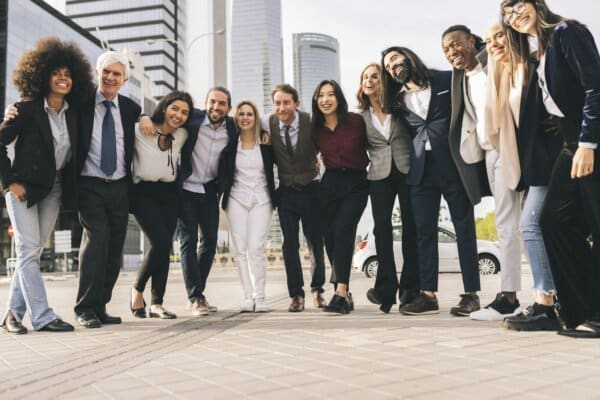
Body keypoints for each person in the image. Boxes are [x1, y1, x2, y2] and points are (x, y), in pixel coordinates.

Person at [501, 0, 600, 337]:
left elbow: (595, 86)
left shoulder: (568, 31)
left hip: (588, 141)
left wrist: (589, 143)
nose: (515, 16)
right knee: (552, 220)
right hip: (570, 141)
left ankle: (597, 316)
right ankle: (579, 308)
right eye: (508, 15)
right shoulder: (542, 50)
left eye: (518, 6)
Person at [0, 37, 94, 333]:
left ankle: (12, 316)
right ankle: (42, 316)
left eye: (68, 74)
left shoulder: (75, 114)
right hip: (23, 188)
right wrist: (9, 182)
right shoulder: (25, 109)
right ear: (43, 75)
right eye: (56, 73)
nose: (63, 78)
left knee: (33, 252)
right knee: (28, 249)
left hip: (54, 189)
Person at [381, 46, 482, 316]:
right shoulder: (398, 100)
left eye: (394, 60)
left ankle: (471, 294)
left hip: (453, 166)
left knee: (464, 229)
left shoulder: (447, 79)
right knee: (424, 233)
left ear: (408, 56)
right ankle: (428, 295)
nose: (392, 67)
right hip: (420, 173)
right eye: (388, 67)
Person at [483, 23, 562, 330]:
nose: (493, 44)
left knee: (529, 224)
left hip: (555, 159)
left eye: (499, 36)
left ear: (515, 35)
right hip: (533, 165)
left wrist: (562, 125)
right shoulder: (503, 75)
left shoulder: (536, 64)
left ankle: (546, 302)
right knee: (543, 228)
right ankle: (553, 300)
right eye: (489, 41)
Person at [441, 24, 522, 320]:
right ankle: (512, 295)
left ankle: (511, 296)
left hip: (512, 148)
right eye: (446, 49)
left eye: (455, 44)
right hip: (489, 153)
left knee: (521, 222)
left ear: (471, 41)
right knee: (510, 223)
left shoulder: (496, 61)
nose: (451, 52)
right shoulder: (459, 78)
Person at [74, 51, 141, 328]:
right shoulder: (80, 102)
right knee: (97, 241)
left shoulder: (130, 108)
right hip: (89, 184)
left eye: (117, 74)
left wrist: (147, 117)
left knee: (114, 249)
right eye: (107, 72)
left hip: (120, 187)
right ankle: (84, 308)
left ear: (124, 80)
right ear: (97, 72)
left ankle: (100, 305)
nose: (111, 78)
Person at [356, 63, 420, 313]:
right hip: (379, 176)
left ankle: (410, 289)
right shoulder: (359, 118)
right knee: (381, 230)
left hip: (406, 171)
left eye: (375, 76)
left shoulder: (401, 107)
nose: (370, 80)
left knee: (411, 229)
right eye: (365, 77)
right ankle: (385, 289)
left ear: (384, 81)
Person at [261, 84, 327, 312]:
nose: (282, 107)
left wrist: (322, 161)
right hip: (287, 193)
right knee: (289, 246)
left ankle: (318, 290)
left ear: (296, 104)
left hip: (312, 190)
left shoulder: (311, 121)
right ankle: (296, 295)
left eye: (286, 102)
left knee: (315, 244)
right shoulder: (268, 123)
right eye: (277, 103)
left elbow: (326, 143)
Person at [129, 91, 193, 319]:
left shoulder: (183, 135)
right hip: (142, 193)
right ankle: (137, 289)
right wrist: (142, 116)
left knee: (164, 247)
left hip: (169, 194)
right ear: (164, 107)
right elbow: (126, 115)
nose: (179, 115)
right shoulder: (140, 130)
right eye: (174, 108)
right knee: (161, 242)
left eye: (185, 112)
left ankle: (157, 302)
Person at [174, 87, 237, 316]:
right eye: (212, 101)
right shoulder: (192, 119)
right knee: (188, 241)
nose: (216, 107)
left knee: (210, 241)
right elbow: (168, 114)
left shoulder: (232, 127)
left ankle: (198, 293)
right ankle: (195, 297)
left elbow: (253, 128)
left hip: (209, 190)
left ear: (228, 108)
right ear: (206, 102)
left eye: (221, 104)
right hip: (185, 189)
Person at [311, 80, 369, 314]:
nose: (326, 99)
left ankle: (341, 293)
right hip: (330, 183)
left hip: (356, 182)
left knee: (345, 229)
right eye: (321, 95)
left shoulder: (356, 122)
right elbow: (307, 152)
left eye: (330, 95)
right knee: (330, 237)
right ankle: (341, 290)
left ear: (339, 98)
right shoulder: (315, 128)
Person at [222, 100, 276, 313]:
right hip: (237, 199)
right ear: (237, 118)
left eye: (249, 114)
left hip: (262, 199)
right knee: (240, 250)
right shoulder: (230, 144)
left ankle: (260, 296)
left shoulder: (266, 143)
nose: (245, 117)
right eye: (241, 114)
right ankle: (248, 296)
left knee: (255, 248)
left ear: (256, 118)